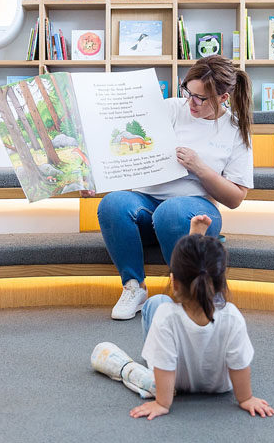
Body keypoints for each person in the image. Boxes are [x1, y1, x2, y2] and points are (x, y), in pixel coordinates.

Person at [96, 55, 254, 320]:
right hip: (146, 204)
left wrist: (199, 167)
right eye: (188, 92)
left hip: (195, 213)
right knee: (112, 203)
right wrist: (98, 179)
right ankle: (134, 287)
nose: (191, 102)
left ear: (223, 98)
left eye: (201, 98)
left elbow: (236, 198)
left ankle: (187, 294)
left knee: (170, 211)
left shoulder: (235, 130)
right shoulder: (170, 108)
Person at [130, 215, 274, 420]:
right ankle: (195, 242)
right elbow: (239, 364)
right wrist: (246, 398)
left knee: (157, 303)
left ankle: (193, 242)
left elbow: (162, 363)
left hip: (172, 384)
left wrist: (162, 403)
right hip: (220, 387)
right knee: (179, 305)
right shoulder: (232, 315)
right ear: (221, 283)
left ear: (174, 282)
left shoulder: (165, 316)